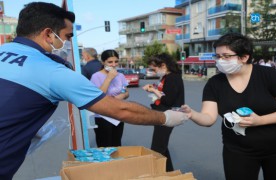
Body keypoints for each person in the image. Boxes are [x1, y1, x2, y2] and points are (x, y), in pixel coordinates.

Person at [0, 2, 188, 179]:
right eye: (67, 37)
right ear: (49, 34)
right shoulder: (52, 70)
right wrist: (166, 118)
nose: (67, 43)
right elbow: (120, 109)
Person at [181, 33, 276, 180]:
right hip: (238, 150)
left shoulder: (269, 75)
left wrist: (260, 121)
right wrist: (191, 114)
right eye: (218, 56)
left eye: (226, 56)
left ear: (244, 57)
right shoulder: (215, 83)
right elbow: (208, 118)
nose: (220, 61)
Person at [142, 53, 185, 171]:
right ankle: (169, 172)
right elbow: (165, 94)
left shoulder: (173, 77)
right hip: (163, 114)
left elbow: (168, 99)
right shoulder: (167, 77)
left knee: (157, 148)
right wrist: (155, 89)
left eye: (154, 68)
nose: (153, 71)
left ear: (163, 65)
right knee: (162, 147)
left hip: (168, 115)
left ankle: (158, 173)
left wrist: (153, 90)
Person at [90, 49, 129, 147]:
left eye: (116, 61)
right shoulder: (96, 76)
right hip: (103, 116)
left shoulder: (120, 75)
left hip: (118, 114)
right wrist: (109, 78)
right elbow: (98, 96)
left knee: (117, 144)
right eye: (110, 62)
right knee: (105, 146)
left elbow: (125, 91)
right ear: (103, 62)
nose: (113, 64)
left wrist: (123, 95)